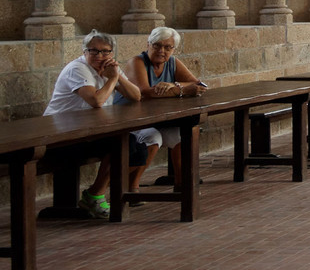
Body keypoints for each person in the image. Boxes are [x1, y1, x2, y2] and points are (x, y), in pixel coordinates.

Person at [43, 30, 143, 218]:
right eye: (93, 51)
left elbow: (136, 96)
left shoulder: (109, 68)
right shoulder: (77, 69)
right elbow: (96, 101)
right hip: (60, 135)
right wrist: (112, 79)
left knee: (137, 149)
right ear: (84, 52)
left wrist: (118, 76)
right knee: (123, 144)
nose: (99, 56)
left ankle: (94, 194)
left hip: (88, 131)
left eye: (105, 51)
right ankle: (94, 197)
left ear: (111, 53)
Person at [116, 26, 204, 191]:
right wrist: (182, 90)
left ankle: (181, 184)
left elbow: (198, 85)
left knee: (183, 133)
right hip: (131, 120)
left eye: (167, 47)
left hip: (155, 118)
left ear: (173, 49)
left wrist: (173, 85)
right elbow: (145, 92)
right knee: (153, 137)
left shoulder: (172, 62)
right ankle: (132, 187)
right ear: (148, 44)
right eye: (156, 45)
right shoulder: (137, 62)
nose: (161, 51)